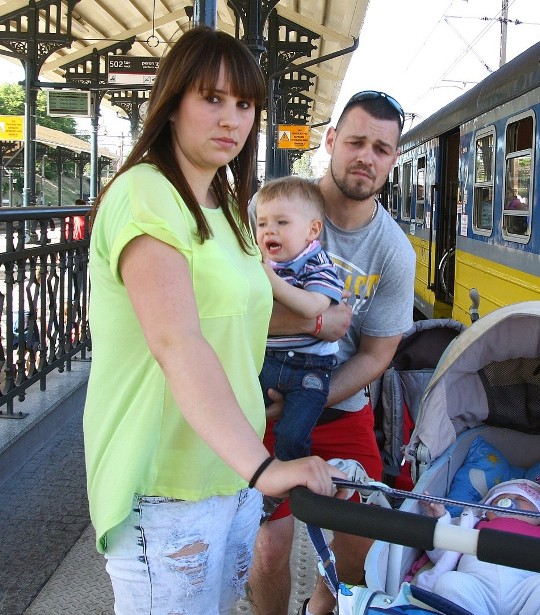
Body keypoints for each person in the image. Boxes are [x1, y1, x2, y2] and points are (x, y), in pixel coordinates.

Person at [83, 27, 345, 614]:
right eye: (212, 98)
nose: (232, 118)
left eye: (245, 104)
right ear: (172, 102)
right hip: (166, 481)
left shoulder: (226, 206)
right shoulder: (146, 194)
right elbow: (177, 339)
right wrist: (267, 466)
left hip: (230, 471)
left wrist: (322, 319)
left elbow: (240, 317)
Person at [247, 90, 416, 615]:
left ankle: (321, 604)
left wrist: (311, 399)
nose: (367, 156)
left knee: (357, 551)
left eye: (382, 149)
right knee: (271, 549)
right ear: (330, 141)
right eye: (356, 141)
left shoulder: (393, 251)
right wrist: (318, 322)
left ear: (393, 160)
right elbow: (231, 309)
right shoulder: (272, 210)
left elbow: (376, 354)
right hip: (268, 395)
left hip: (340, 406)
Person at [254, 176, 344, 473]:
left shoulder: (317, 264)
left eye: (282, 222)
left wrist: (272, 283)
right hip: (267, 360)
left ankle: (291, 482)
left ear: (312, 230)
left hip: (309, 369)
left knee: (291, 435)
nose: (269, 231)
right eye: (263, 223)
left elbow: (313, 307)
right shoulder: (263, 263)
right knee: (239, 413)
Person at [417, 479, 540, 615]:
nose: (510, 501)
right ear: (486, 510)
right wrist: (440, 519)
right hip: (478, 586)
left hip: (526, 590)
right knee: (449, 583)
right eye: (501, 499)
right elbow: (442, 554)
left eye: (521, 499)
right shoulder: (472, 524)